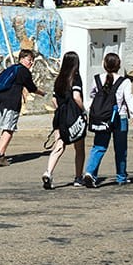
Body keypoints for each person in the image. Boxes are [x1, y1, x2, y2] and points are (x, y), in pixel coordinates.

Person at [83, 52, 133, 186]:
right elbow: (128, 99)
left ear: (104, 65)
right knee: (121, 148)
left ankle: (90, 173)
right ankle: (121, 176)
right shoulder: (124, 81)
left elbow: (92, 96)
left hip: (101, 117)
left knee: (99, 146)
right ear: (119, 65)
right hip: (120, 117)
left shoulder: (97, 79)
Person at [42, 51, 86, 190]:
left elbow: (54, 100)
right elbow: (76, 96)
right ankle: (78, 178)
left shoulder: (59, 79)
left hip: (60, 116)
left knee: (59, 146)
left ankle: (48, 172)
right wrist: (83, 110)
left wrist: (60, 110)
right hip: (73, 117)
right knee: (79, 148)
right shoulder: (75, 78)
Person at [0, 49, 42, 166]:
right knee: (9, 128)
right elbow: (32, 88)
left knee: (6, 127)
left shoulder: (11, 68)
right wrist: (42, 93)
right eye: (29, 60)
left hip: (1, 101)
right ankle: (0, 155)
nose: (31, 62)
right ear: (22, 59)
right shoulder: (24, 71)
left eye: (32, 60)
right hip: (12, 102)